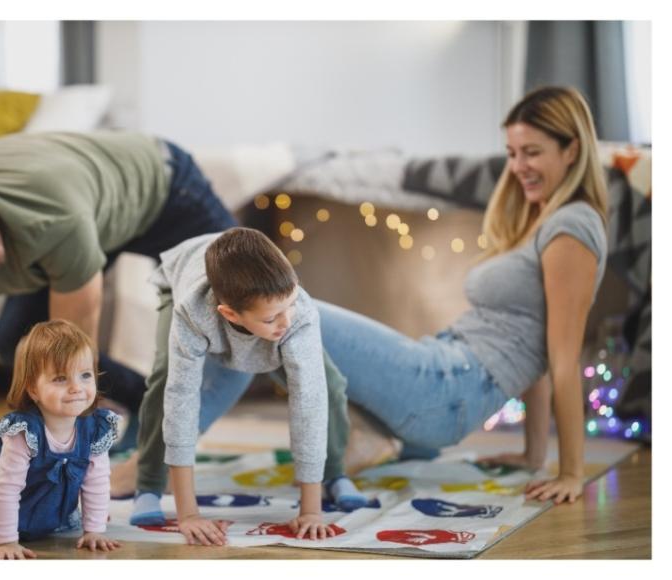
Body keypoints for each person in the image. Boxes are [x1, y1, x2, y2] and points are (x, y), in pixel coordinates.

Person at [176, 86, 609, 507]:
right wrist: (532, 454)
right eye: (513, 153)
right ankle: (372, 435)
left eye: (532, 152)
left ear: (572, 150)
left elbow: (561, 357)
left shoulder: (572, 230)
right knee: (269, 327)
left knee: (281, 313)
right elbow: (531, 342)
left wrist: (571, 471)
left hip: (447, 387)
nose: (518, 167)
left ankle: (158, 465)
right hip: (443, 369)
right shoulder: (543, 217)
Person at [0, 130, 236, 506]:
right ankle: (145, 407)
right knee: (20, 342)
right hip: (90, 203)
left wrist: (65, 469)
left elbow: (71, 359)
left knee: (239, 317)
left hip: (163, 187)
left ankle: (151, 464)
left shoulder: (50, 217)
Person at [130, 228, 366, 545]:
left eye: (290, 304)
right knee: (164, 380)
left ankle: (335, 474)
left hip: (251, 289)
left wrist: (311, 511)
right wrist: (188, 514)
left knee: (329, 383)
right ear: (230, 314)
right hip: (183, 280)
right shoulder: (192, 311)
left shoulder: (297, 315)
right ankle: (148, 485)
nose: (285, 322)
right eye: (271, 319)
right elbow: (181, 400)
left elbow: (309, 400)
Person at [0, 319, 121, 559]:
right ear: (33, 389)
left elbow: (97, 482)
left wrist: (94, 530)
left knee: (53, 518)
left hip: (42, 498)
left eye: (85, 375)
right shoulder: (23, 433)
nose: (76, 388)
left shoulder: (95, 430)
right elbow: (7, 490)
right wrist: (7, 542)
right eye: (61, 379)